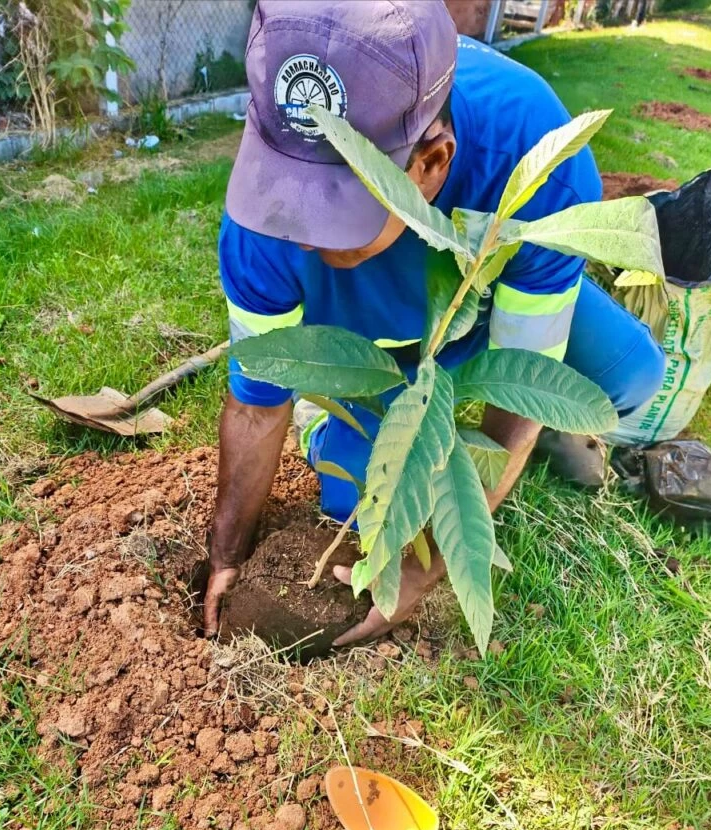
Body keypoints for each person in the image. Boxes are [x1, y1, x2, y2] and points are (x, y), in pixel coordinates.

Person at [204, 0, 664, 643]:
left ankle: (527, 407)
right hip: (367, 338)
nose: (300, 236)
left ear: (432, 163)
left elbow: (520, 395)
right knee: (359, 503)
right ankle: (331, 417)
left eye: (336, 215)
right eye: (288, 191)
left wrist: (433, 564)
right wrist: (227, 553)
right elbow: (256, 403)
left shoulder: (531, 157)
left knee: (632, 379)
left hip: (484, 294)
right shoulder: (264, 229)